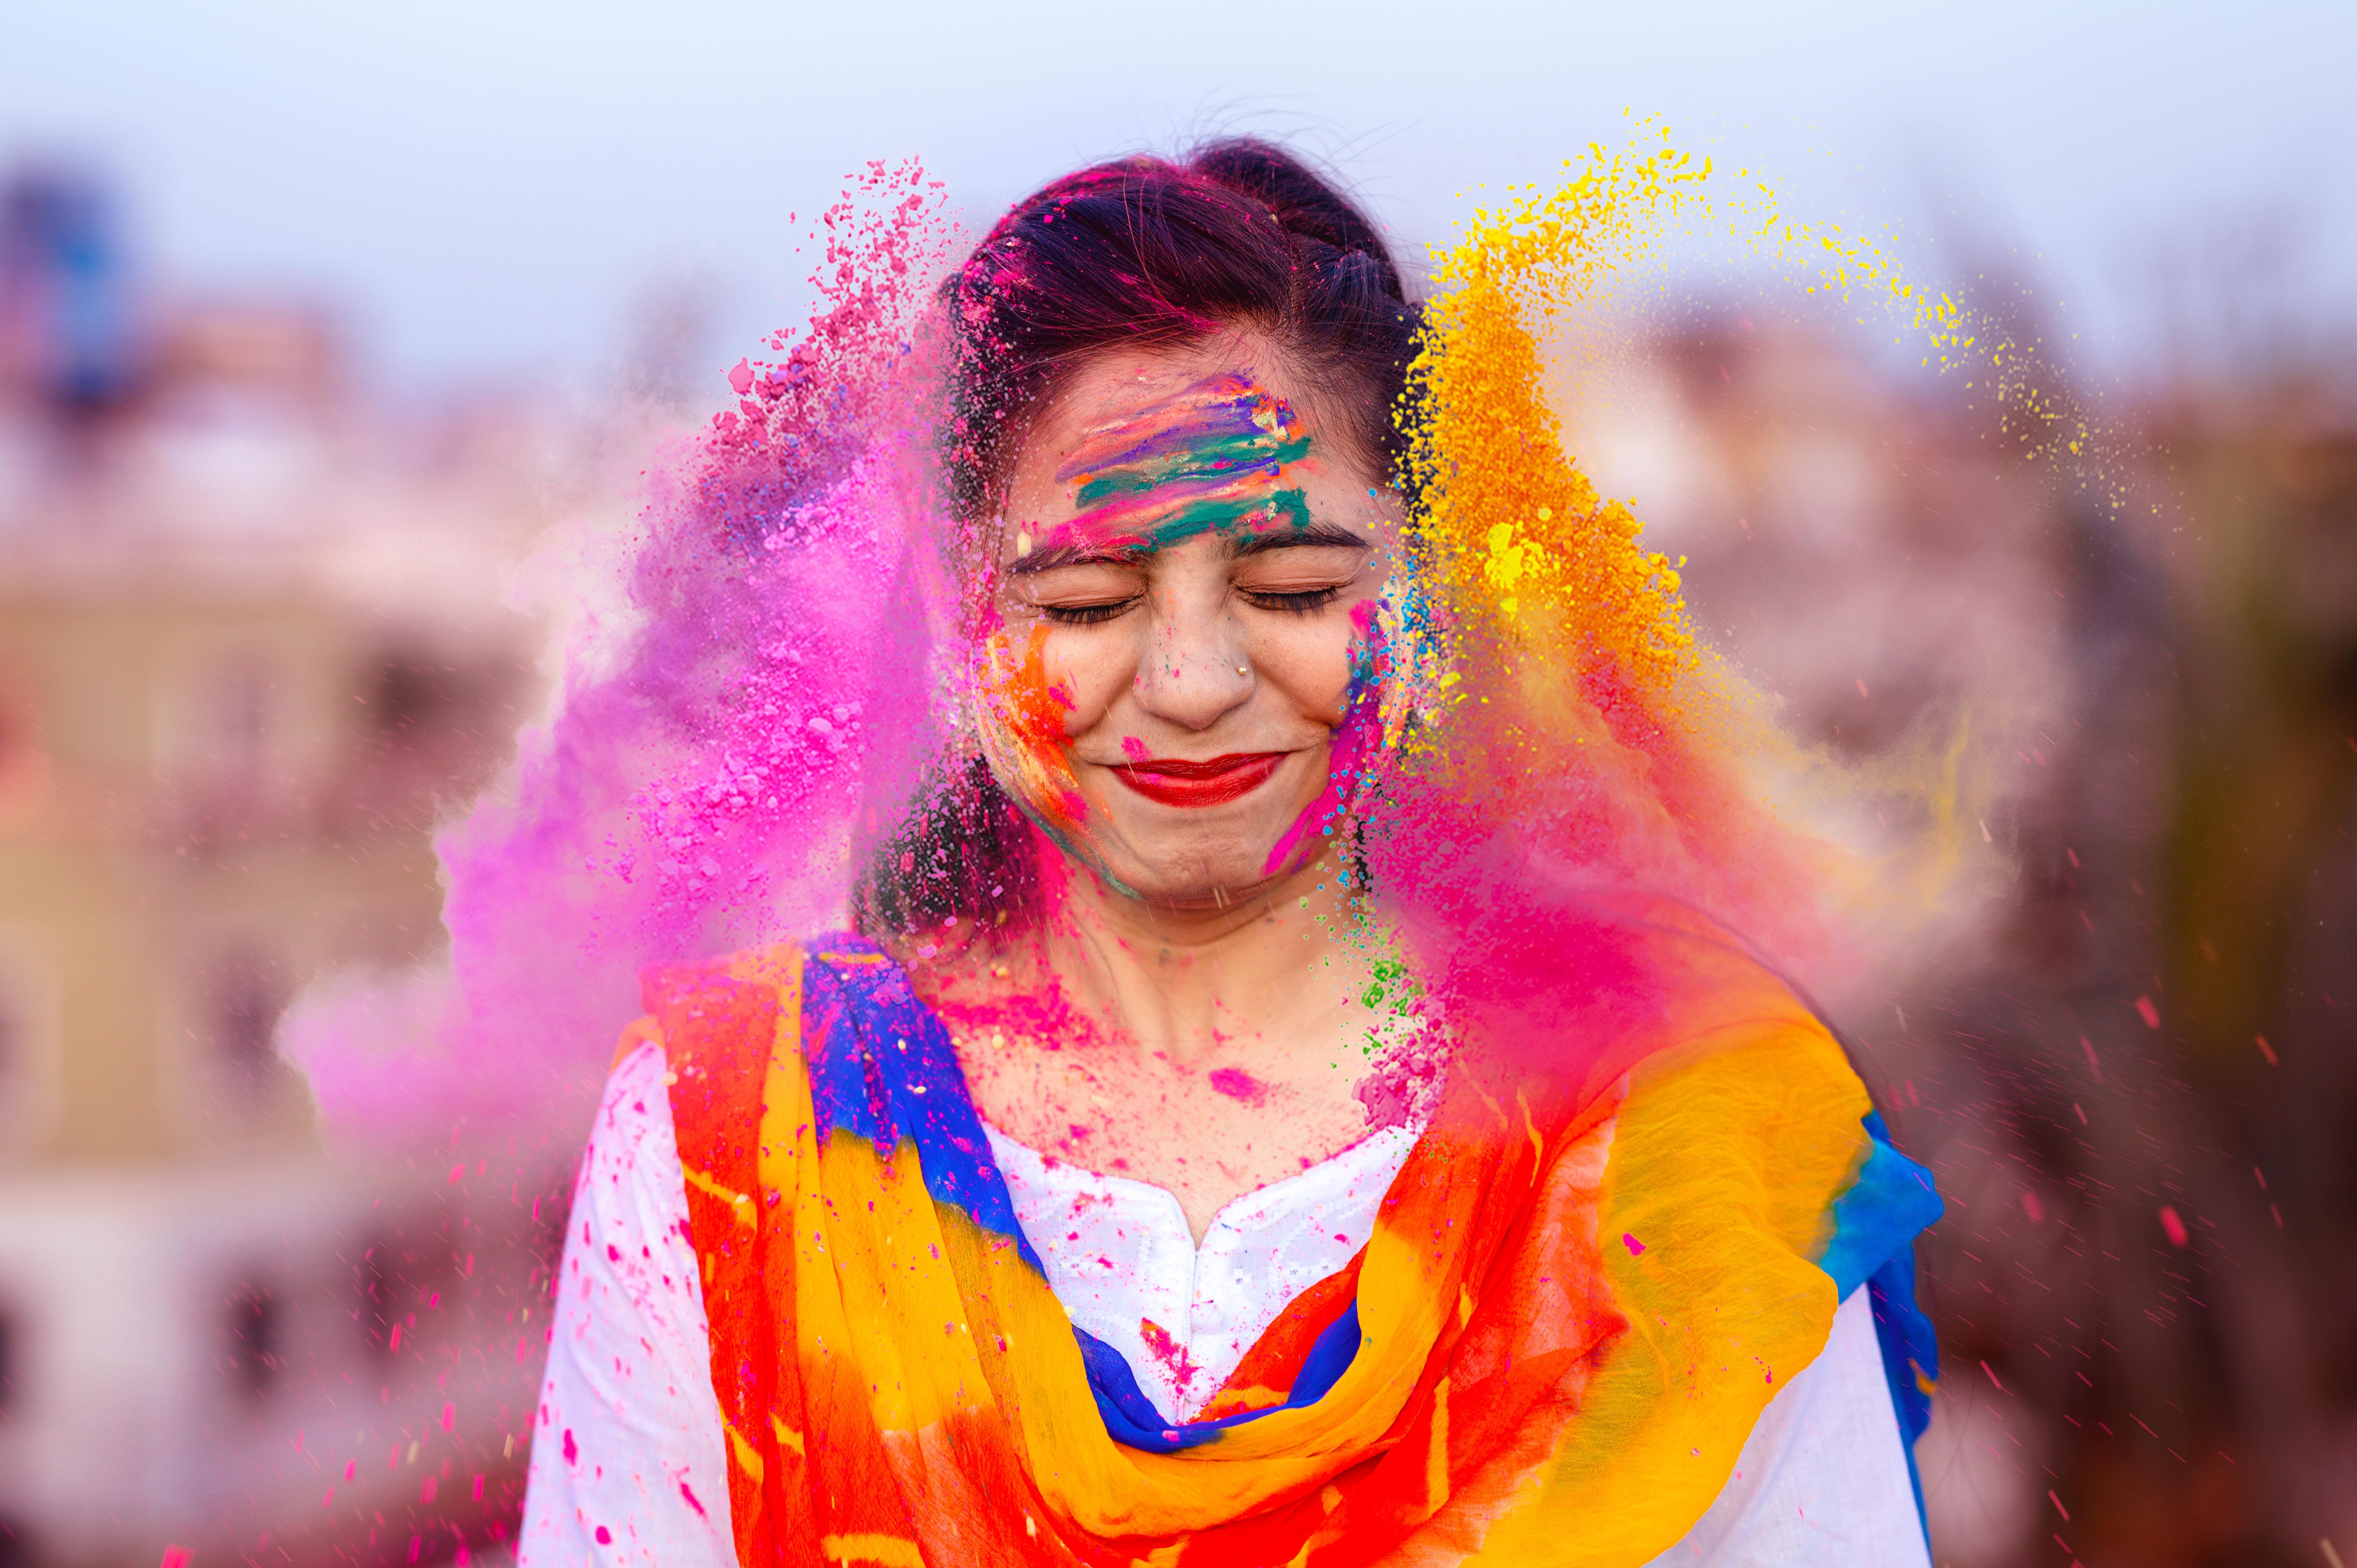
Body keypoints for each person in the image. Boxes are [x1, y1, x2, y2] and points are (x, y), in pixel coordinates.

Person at [518, 138, 1944, 1567]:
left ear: (1426, 586)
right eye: (1084, 600)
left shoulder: (1690, 1134)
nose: (1195, 681)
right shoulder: (729, 1152)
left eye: (1290, 586)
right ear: (959, 628)